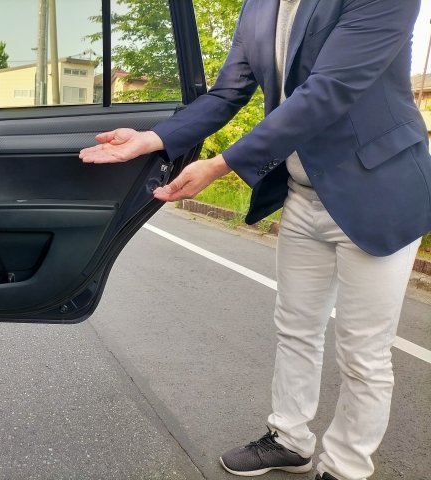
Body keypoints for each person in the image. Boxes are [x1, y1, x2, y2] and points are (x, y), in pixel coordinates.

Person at [79, 1, 431, 479]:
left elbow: (329, 91)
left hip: (380, 191)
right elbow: (227, 93)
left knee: (363, 350)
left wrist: (220, 164)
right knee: (296, 328)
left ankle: (346, 467)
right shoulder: (260, 6)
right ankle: (290, 439)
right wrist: (154, 138)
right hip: (303, 192)